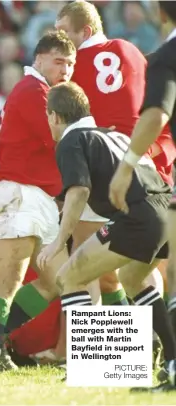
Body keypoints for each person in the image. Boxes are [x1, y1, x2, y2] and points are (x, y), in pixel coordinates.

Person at [39, 82, 176, 392]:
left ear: (55, 117)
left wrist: (60, 241)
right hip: (164, 210)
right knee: (130, 278)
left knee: (69, 276)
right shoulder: (113, 134)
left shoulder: (72, 140)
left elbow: (79, 191)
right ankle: (171, 361)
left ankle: (93, 366)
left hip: (139, 215)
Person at [55, 0, 176, 309]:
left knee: (84, 267)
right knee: (134, 266)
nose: (61, 40)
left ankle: (98, 351)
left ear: (85, 30)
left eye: (64, 32)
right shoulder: (133, 51)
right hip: (145, 163)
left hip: (102, 167)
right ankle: (147, 339)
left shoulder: (70, 67)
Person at [0, 31, 76, 372]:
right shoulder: (35, 92)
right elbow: (60, 145)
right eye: (59, 61)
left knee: (56, 279)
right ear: (39, 60)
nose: (66, 70)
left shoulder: (37, 91)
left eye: (71, 64)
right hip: (20, 193)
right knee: (8, 279)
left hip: (35, 196)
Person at [109, 1, 176, 391]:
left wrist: (126, 165)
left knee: (84, 271)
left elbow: (155, 115)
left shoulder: (167, 56)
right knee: (131, 274)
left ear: (161, 14)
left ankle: (107, 365)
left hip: (144, 192)